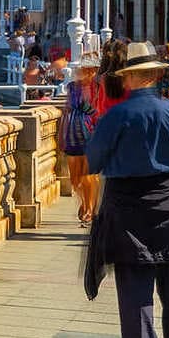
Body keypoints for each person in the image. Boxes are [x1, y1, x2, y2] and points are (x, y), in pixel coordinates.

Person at [84, 41, 169, 338]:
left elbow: (94, 159)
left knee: (135, 288)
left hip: (127, 206)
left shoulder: (115, 116)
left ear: (129, 78)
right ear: (154, 75)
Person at [60, 51, 101, 224]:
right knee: (75, 179)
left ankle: (90, 209)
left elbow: (100, 110)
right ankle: (84, 202)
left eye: (88, 69)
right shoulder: (72, 87)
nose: (85, 72)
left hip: (92, 134)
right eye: (83, 69)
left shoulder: (99, 88)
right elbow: (67, 108)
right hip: (72, 134)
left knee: (89, 176)